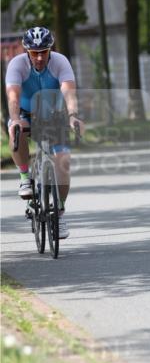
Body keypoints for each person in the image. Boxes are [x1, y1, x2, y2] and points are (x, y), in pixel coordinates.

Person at [5, 27, 84, 238]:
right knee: (17, 130)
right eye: (34, 52)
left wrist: (73, 115)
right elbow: (13, 96)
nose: (39, 57)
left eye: (44, 51)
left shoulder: (60, 62)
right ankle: (24, 176)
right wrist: (14, 120)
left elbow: (69, 92)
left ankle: (59, 213)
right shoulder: (17, 65)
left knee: (63, 160)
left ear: (51, 49)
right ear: (26, 51)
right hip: (23, 111)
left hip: (52, 113)